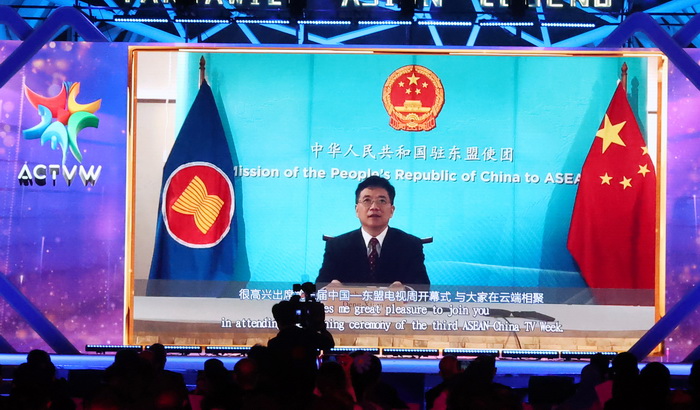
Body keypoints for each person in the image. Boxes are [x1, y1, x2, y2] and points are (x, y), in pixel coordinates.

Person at [316, 175, 430, 286]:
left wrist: (405, 291)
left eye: (382, 201)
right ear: (356, 210)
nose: (374, 207)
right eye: (367, 200)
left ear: (392, 210)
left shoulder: (410, 245)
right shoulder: (337, 246)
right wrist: (329, 288)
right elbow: (320, 286)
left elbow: (422, 287)